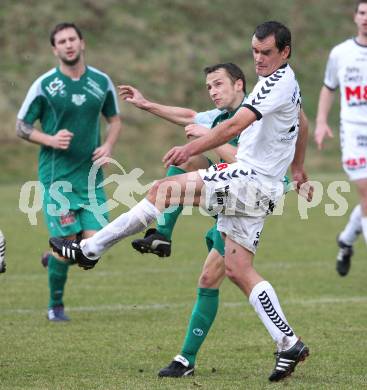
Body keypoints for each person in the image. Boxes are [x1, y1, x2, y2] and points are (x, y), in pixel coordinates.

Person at [50, 21, 310, 382]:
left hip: (249, 180)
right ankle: (289, 343)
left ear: (285, 52)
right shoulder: (285, 83)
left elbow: (232, 128)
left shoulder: (276, 84)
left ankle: (90, 249)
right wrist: (298, 167)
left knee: (163, 189)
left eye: (267, 53)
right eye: (254, 51)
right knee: (237, 269)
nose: (259, 59)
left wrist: (191, 147)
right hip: (262, 189)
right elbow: (303, 121)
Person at [16, 22, 122, 321]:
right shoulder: (45, 85)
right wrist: (49, 139)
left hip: (91, 180)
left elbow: (114, 119)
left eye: (72, 39)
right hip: (57, 180)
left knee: (93, 249)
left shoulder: (101, 82)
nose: (68, 44)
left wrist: (109, 145)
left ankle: (53, 258)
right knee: (69, 247)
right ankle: (55, 305)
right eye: (61, 41)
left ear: (82, 43)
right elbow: (21, 127)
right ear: (55, 49)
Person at [118, 63, 246, 258]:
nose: (213, 92)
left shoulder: (255, 114)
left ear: (238, 85)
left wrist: (209, 136)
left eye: (218, 84)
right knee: (187, 160)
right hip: (227, 189)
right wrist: (146, 104)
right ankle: (162, 235)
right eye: (209, 87)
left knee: (225, 274)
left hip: (250, 197)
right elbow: (190, 116)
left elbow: (246, 164)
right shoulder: (221, 115)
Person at [315, 0, 367, 277]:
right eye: (362, 13)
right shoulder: (341, 53)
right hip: (355, 133)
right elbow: (328, 88)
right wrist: (321, 122)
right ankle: (347, 241)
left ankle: (346, 240)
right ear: (355, 17)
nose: (365, 18)